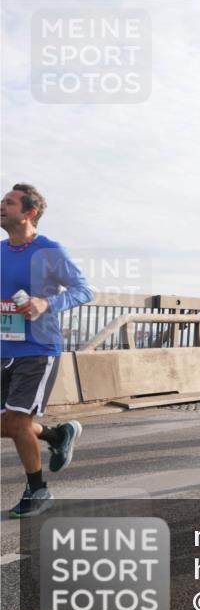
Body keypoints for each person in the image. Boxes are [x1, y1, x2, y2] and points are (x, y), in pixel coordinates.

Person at [1, 183, 91, 517]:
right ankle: (56, 435)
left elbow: (84, 291)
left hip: (39, 348)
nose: (1, 205)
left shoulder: (50, 250)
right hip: (3, 348)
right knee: (8, 425)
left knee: (19, 422)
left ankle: (38, 490)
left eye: (8, 202)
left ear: (29, 212)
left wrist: (45, 303)